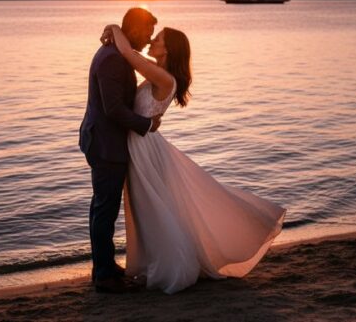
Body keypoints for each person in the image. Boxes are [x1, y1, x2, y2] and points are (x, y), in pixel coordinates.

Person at [101, 22, 286, 294]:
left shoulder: (166, 79)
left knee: (151, 207)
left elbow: (129, 55)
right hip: (143, 144)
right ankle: (155, 263)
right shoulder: (159, 73)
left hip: (144, 148)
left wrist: (114, 27)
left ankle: (171, 267)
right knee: (148, 208)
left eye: (159, 38)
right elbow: (134, 58)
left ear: (168, 49)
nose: (152, 40)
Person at [79, 7, 162, 293]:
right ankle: (103, 275)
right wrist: (147, 123)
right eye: (148, 31)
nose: (149, 37)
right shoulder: (113, 59)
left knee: (102, 207)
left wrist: (113, 27)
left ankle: (104, 265)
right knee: (105, 209)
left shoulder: (118, 52)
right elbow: (113, 109)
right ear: (135, 28)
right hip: (105, 143)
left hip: (104, 140)